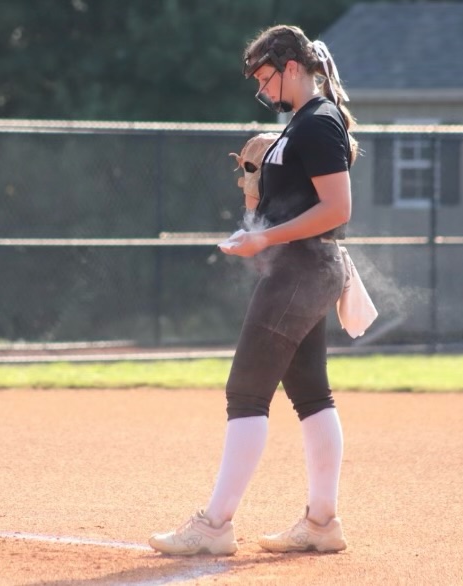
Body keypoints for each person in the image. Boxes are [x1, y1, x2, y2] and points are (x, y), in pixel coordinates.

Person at [149, 24, 358, 556]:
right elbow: (292, 206)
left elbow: (337, 210)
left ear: (292, 67)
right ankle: (321, 522)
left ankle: (215, 525)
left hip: (301, 271)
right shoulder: (303, 124)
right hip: (302, 269)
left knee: (245, 393)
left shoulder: (317, 123)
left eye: (267, 78)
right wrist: (255, 192)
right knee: (311, 393)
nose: (264, 91)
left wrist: (264, 235)